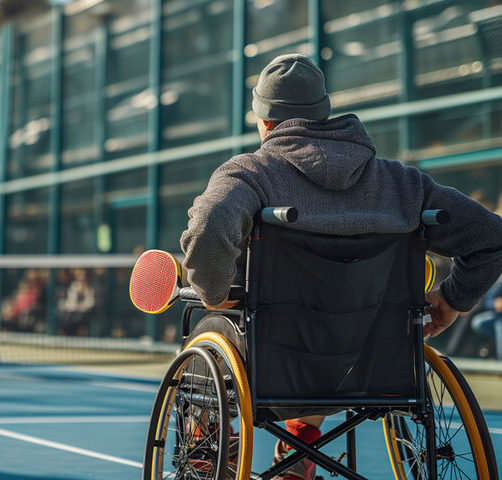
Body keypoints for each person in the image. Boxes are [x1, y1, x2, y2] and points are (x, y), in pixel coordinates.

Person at [180, 54, 502, 479]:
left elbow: (208, 226)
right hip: (375, 366)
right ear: (325, 113)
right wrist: (452, 298)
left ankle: (206, 443)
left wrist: (215, 294)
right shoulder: (401, 183)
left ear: (264, 121)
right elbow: (491, 236)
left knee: (205, 327)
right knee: (331, 330)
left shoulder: (251, 173)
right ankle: (303, 446)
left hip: (275, 368)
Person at [470, 279, 502, 360]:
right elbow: (487, 301)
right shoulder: (500, 284)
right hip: (498, 316)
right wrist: (494, 304)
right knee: (478, 322)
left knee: (500, 327)